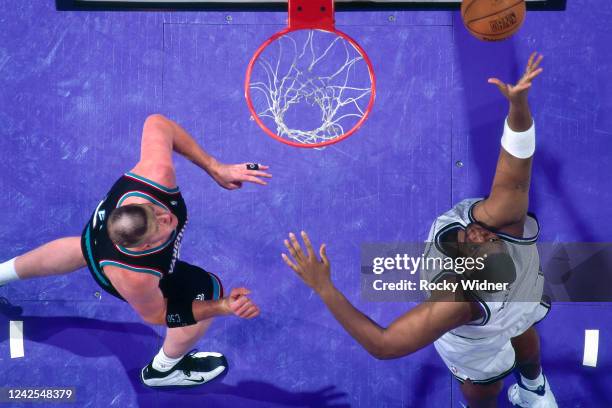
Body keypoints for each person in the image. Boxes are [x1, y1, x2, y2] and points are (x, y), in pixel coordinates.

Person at [282, 53, 557, 408]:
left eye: (481, 245)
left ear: (464, 270)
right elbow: (517, 164)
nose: (482, 234)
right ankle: (536, 390)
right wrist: (519, 106)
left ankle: (510, 397)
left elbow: (383, 345)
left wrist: (323, 287)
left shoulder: (455, 303)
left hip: (484, 327)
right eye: (491, 240)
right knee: (522, 325)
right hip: (521, 292)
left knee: (482, 381)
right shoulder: (502, 223)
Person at [0, 114, 268, 388]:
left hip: (96, 237)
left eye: (155, 211)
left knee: (85, 247)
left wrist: (215, 167)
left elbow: (157, 123)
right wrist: (222, 306)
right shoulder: (137, 277)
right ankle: (163, 371)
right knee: (205, 287)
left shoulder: (155, 176)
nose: (166, 218)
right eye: (159, 227)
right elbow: (157, 314)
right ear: (147, 247)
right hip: (115, 272)